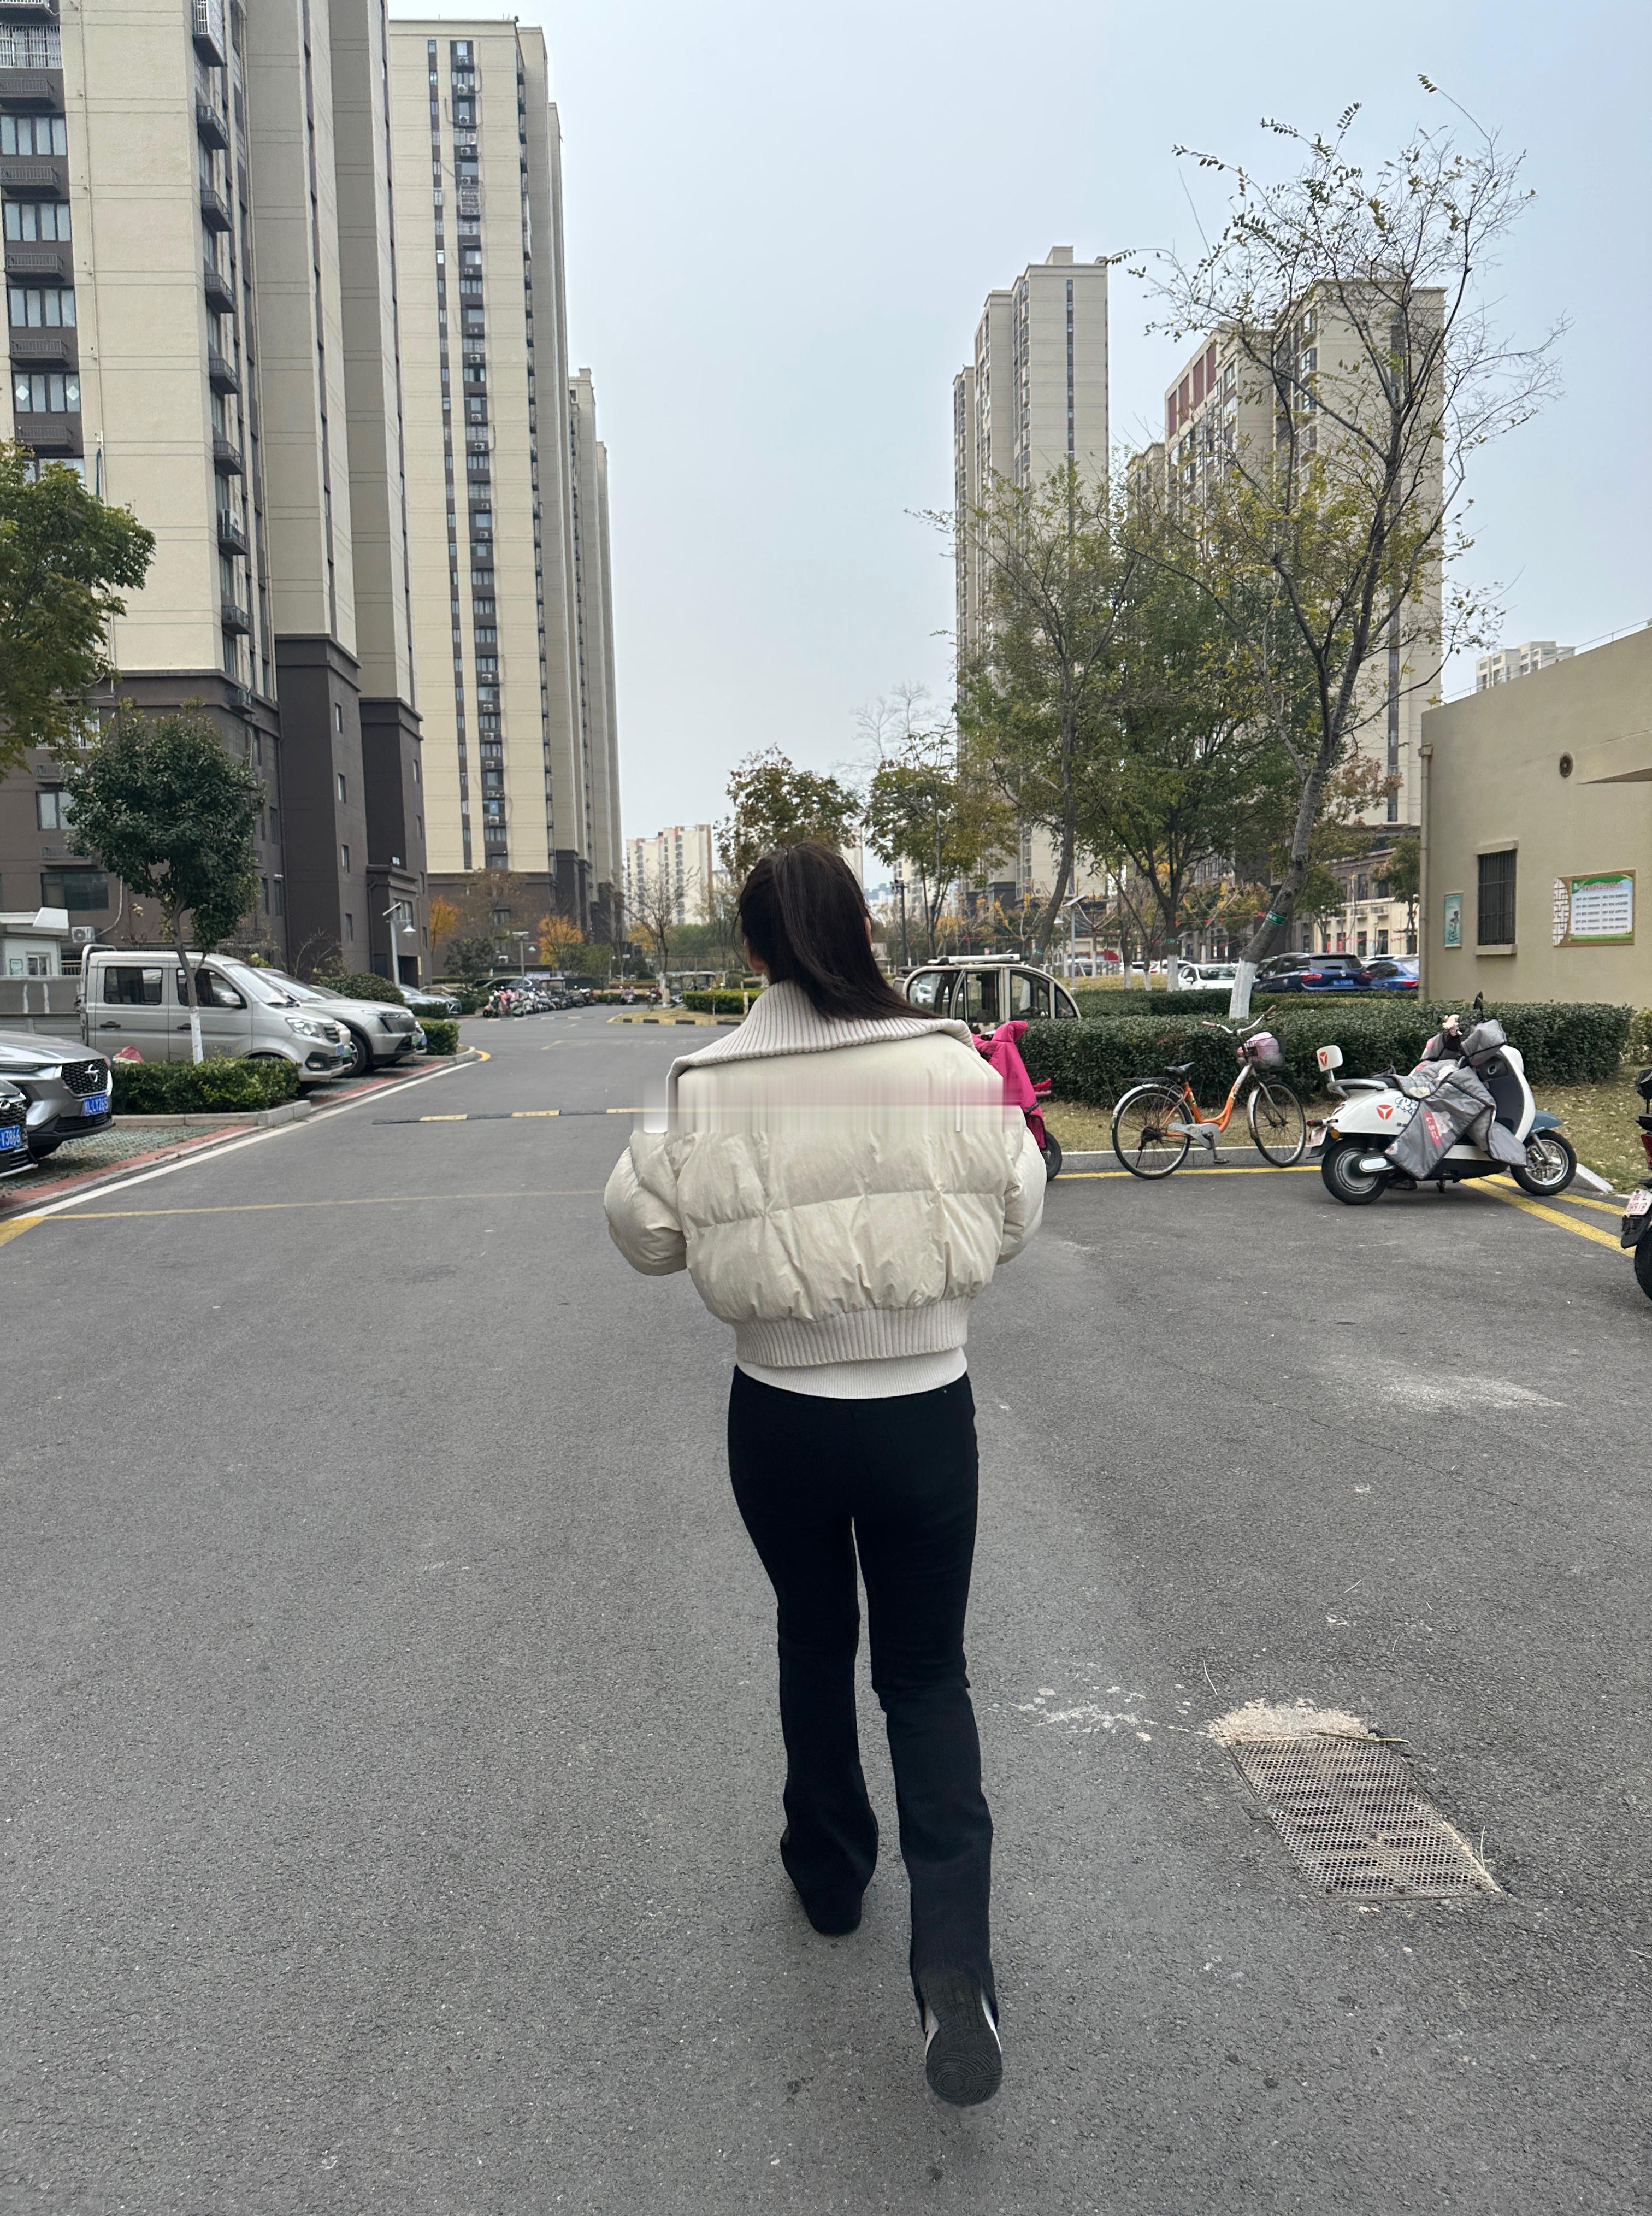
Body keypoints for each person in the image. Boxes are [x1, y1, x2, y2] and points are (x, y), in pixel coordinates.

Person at [604, 843, 1045, 2106]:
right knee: (926, 1674)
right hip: (925, 1409)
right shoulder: (950, 1066)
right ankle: (953, 1960)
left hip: (782, 1415)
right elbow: (1018, 1215)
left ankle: (831, 1876)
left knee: (812, 1635)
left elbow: (641, 1235)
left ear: (751, 950)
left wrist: (689, 1160)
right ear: (860, 931)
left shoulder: (701, 1085)